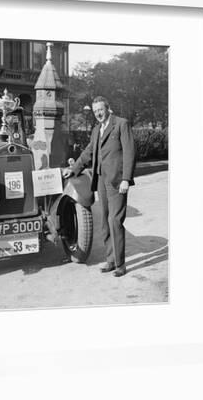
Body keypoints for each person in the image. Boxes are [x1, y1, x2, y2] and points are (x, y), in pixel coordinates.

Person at [62, 96, 136, 277]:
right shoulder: (96, 129)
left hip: (118, 181)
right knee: (104, 221)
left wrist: (126, 179)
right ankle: (110, 260)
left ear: (108, 108)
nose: (98, 114)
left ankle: (120, 264)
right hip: (101, 180)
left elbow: (129, 152)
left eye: (100, 110)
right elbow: (89, 151)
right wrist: (74, 169)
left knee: (115, 221)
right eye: (95, 112)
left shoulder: (121, 124)